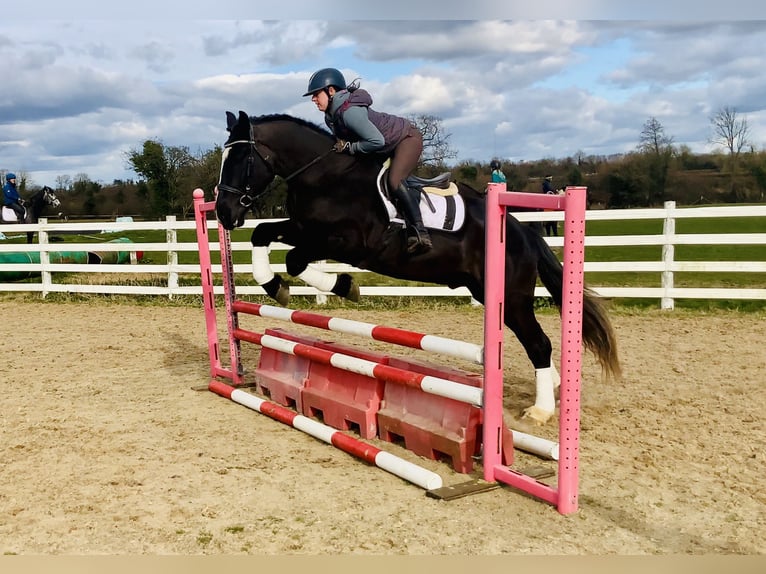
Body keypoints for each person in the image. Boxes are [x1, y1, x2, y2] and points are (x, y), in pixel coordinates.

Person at [303, 67, 432, 255]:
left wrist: (350, 147)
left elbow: (375, 141)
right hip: (382, 146)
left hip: (406, 139)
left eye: (316, 94)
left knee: (394, 181)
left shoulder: (349, 112)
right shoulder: (331, 116)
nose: (313, 99)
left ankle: (419, 232)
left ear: (331, 91)